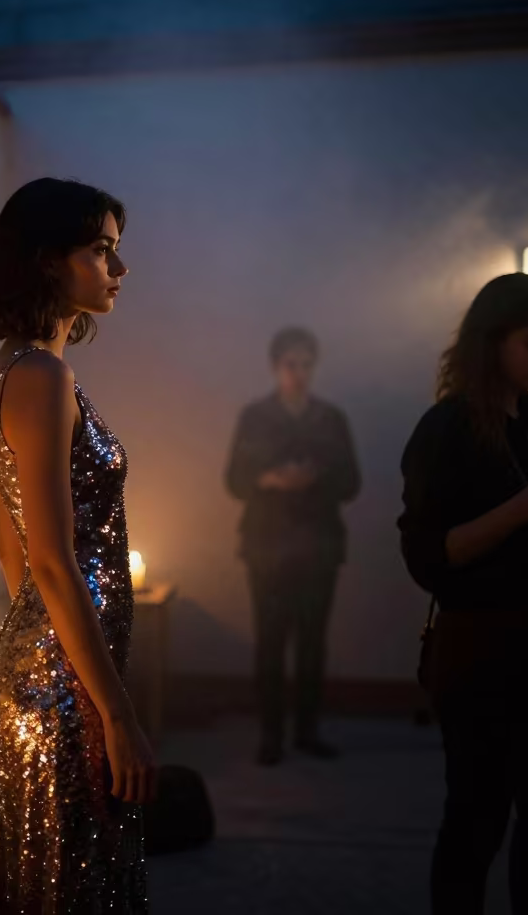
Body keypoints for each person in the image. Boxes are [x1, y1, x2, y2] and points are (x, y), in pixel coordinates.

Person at [0, 177, 153, 913]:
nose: (119, 268)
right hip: (59, 682)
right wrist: (112, 710)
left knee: (63, 877)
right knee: (74, 886)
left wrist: (53, 660)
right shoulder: (42, 376)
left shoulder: (10, 370)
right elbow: (44, 555)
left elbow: (10, 549)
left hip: (51, 667)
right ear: (49, 261)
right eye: (102, 250)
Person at [399, 272, 528, 915]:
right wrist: (522, 509)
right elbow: (430, 556)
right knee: (477, 817)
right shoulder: (447, 428)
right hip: (480, 647)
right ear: (492, 344)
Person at [225, 327, 360, 766]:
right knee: (270, 639)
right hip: (267, 543)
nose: (299, 373)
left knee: (311, 640)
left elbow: (352, 482)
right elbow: (234, 480)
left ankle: (305, 730)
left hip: (318, 542)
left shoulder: (331, 418)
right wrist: (271, 479)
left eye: (305, 364)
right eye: (291, 364)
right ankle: (271, 734)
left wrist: (313, 477)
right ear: (276, 366)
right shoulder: (256, 417)